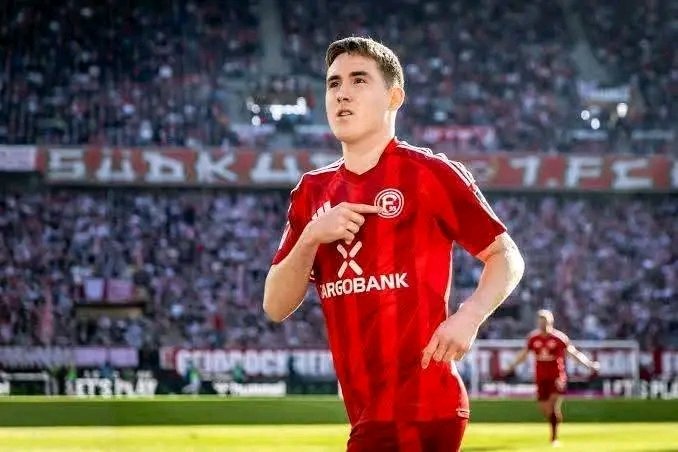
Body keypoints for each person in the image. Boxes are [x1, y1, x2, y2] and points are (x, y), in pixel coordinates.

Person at [263, 36, 525, 452]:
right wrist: (311, 236)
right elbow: (275, 306)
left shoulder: (429, 174)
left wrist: (470, 315)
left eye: (359, 80)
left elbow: (505, 255)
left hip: (421, 403)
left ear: (394, 97)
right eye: (333, 83)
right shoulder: (311, 192)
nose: (342, 93)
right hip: (367, 410)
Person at [504, 309, 600, 447]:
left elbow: (573, 353)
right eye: (540, 322)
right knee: (544, 408)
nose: (543, 324)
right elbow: (524, 354)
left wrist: (589, 364)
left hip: (557, 377)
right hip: (541, 378)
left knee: (553, 405)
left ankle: (554, 438)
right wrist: (511, 366)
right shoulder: (533, 338)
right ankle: (554, 422)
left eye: (545, 322)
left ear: (551, 322)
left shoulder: (559, 338)